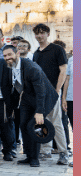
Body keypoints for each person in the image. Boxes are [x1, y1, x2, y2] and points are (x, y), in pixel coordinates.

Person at [4, 45, 60, 168]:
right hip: (27, 97)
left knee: (33, 125)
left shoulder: (31, 68)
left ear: (17, 54)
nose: (7, 58)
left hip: (44, 98)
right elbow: (16, 88)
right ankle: (28, 155)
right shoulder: (11, 66)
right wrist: (10, 108)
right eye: (5, 56)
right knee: (23, 125)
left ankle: (35, 158)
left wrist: (39, 111)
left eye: (9, 54)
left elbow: (41, 91)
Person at [31, 23, 69, 164]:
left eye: (42, 32)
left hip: (53, 92)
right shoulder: (36, 53)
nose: (39, 36)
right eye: (37, 33)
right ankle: (45, 151)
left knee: (56, 122)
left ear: (48, 34)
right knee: (43, 122)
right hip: (40, 94)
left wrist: (57, 90)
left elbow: (63, 70)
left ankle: (63, 152)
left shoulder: (57, 49)